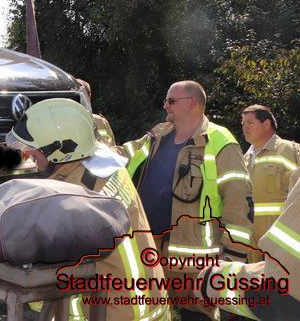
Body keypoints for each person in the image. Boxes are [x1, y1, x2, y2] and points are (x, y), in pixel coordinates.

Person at [6, 98, 170, 320]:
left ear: (60, 149)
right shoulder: (101, 163)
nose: (28, 156)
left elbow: (37, 254)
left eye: (33, 151)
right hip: (149, 303)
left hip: (113, 311)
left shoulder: (76, 195)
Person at [123, 80, 253, 320]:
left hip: (197, 261)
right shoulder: (158, 134)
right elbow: (121, 155)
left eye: (171, 100)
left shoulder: (220, 140)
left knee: (198, 316)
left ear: (192, 103)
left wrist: (232, 260)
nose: (165, 106)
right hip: (151, 250)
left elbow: (239, 204)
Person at [195, 171, 300, 320]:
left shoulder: (286, 151)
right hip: (261, 254)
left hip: (270, 270)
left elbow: (282, 288)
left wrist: (209, 279)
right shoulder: (247, 158)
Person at [241, 104, 300, 261]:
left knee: (280, 282)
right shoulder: (244, 159)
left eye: (250, 123)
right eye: (243, 124)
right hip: (250, 236)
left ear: (266, 124)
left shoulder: (291, 150)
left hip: (281, 234)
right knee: (252, 281)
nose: (244, 127)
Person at [76, 78, 117, 146]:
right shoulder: (60, 122)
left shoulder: (100, 121)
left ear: (89, 97)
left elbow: (110, 146)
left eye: (83, 96)